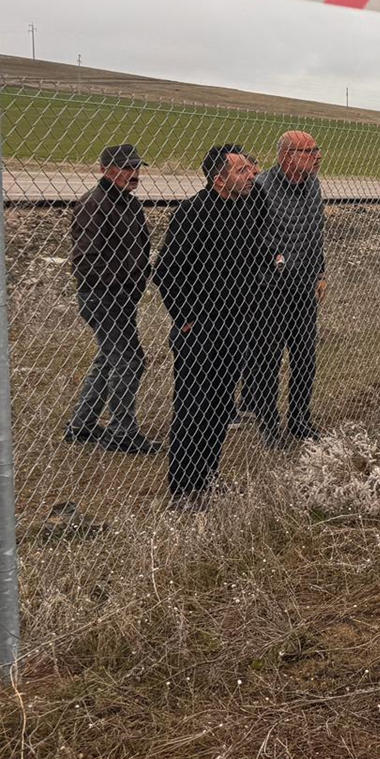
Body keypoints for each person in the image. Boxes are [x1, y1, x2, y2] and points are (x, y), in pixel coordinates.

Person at [154, 146, 272, 508]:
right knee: (194, 406)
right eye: (241, 172)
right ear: (219, 179)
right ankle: (183, 489)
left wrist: (259, 288)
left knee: (221, 406)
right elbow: (166, 271)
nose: (251, 176)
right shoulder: (194, 212)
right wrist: (186, 318)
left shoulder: (250, 206)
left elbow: (263, 253)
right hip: (200, 327)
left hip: (238, 324)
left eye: (250, 171)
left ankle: (207, 477)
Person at [65, 144, 159, 454]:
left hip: (122, 297)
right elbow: (85, 260)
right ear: (106, 170)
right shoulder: (94, 204)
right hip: (102, 297)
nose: (134, 174)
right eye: (127, 168)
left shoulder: (127, 204)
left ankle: (82, 425)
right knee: (129, 359)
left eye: (136, 167)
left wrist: (139, 278)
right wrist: (120, 284)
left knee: (110, 357)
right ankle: (122, 430)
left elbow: (136, 251)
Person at [244, 131, 327, 446]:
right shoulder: (262, 188)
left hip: (304, 288)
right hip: (269, 290)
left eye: (317, 151)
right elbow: (250, 239)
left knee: (305, 356)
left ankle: (300, 420)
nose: (317, 157)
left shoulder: (312, 186)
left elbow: (315, 233)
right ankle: (269, 425)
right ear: (287, 156)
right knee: (268, 358)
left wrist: (321, 272)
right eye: (309, 151)